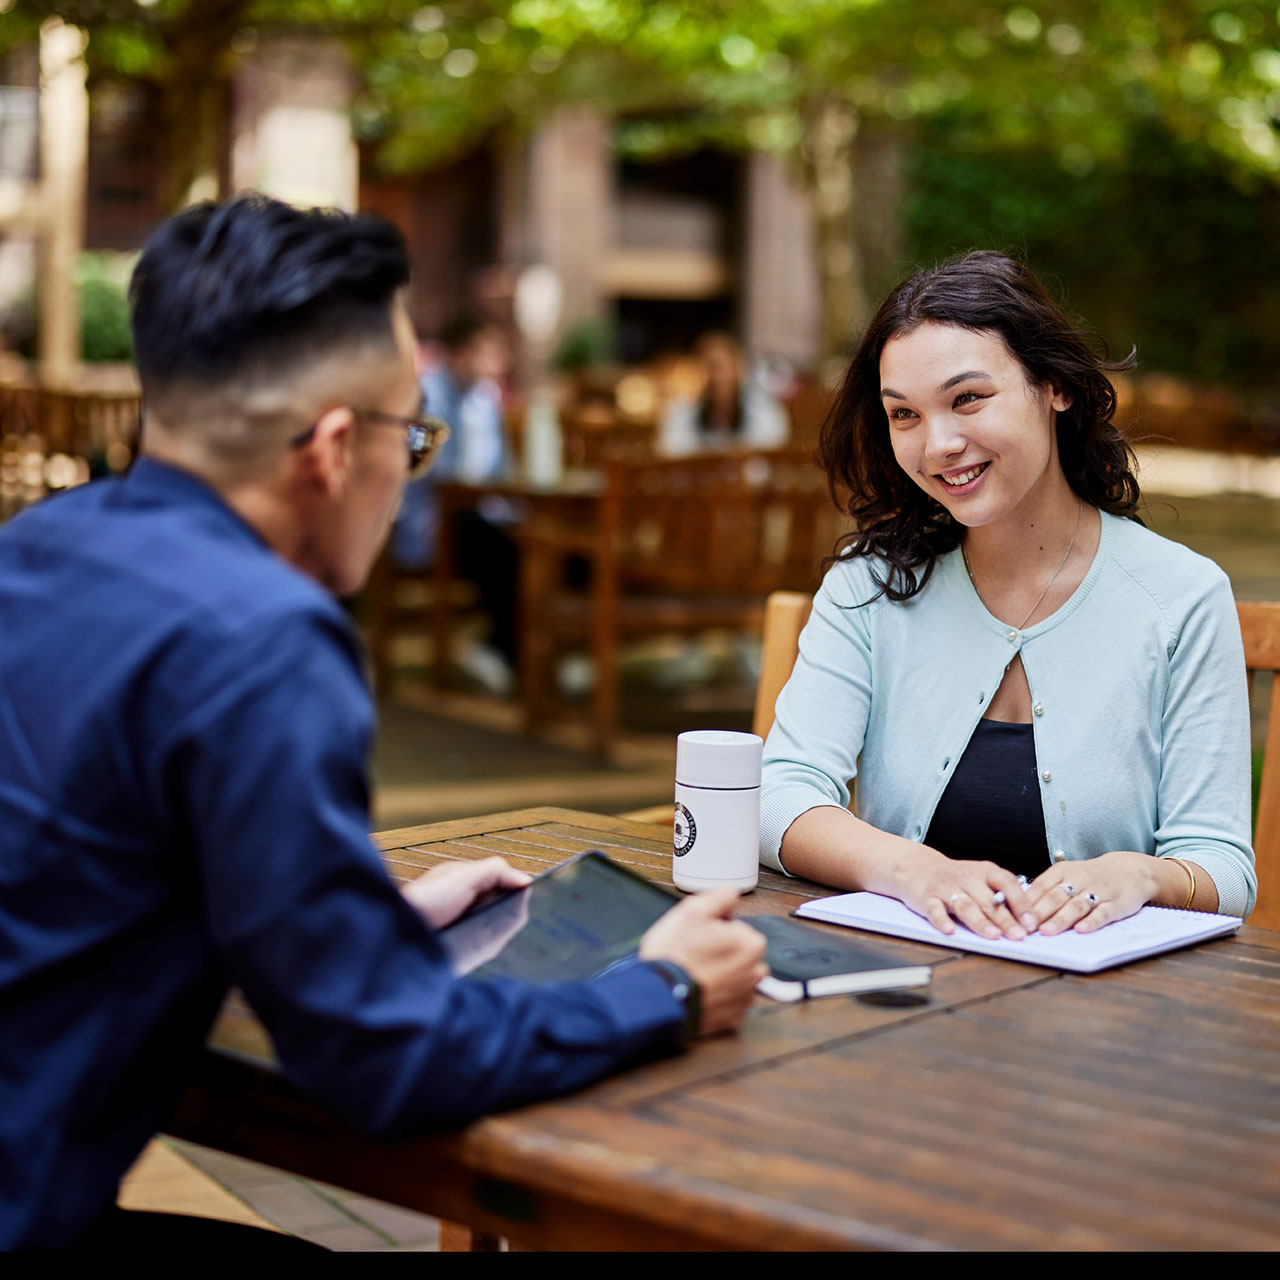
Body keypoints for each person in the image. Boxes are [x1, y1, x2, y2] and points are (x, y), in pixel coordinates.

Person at [0, 195, 766, 1251]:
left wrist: (361, 921)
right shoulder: (266, 636)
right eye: (409, 433)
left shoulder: (42, 547)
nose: (406, 462)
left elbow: (81, 876)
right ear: (327, 447)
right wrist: (665, 989)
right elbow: (386, 1061)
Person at [760, 250, 1256, 940]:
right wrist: (913, 871)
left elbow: (1224, 870)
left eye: (968, 399)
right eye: (904, 414)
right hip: (894, 990)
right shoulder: (867, 586)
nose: (938, 445)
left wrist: (1138, 874)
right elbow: (778, 798)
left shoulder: (1181, 598)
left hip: (1108, 1016)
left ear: (1055, 386)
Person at [391, 315, 519, 691]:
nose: (497, 363)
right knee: (499, 549)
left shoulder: (486, 400)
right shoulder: (423, 397)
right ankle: (503, 650)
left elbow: (503, 467)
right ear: (462, 353)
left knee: (532, 545)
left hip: (484, 513)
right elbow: (415, 462)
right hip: (432, 521)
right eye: (489, 353)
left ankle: (512, 651)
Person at [657, 331, 790, 457]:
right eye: (702, 367)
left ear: (738, 368)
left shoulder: (766, 415)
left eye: (717, 366)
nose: (711, 377)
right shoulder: (679, 414)